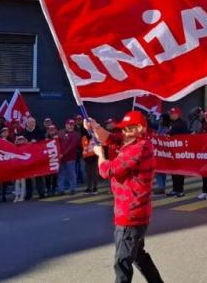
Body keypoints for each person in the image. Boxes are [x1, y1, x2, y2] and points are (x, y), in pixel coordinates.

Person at [86, 112, 164, 283]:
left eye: (130, 128)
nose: (126, 132)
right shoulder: (131, 142)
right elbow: (110, 138)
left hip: (131, 213)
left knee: (122, 262)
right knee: (138, 256)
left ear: (141, 129)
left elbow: (109, 170)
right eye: (125, 128)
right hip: (133, 211)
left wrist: (100, 155)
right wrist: (95, 126)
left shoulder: (139, 147)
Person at [165, 107, 189, 197]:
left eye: (172, 113)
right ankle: (175, 189)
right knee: (173, 170)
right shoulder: (172, 123)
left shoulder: (182, 123)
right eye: (170, 113)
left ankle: (180, 190)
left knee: (179, 171)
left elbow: (184, 136)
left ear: (176, 114)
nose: (170, 115)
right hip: (173, 151)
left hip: (179, 151)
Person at [22, 117, 47, 200]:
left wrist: (36, 140)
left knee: (39, 176)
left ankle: (41, 193)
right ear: (26, 123)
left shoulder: (39, 131)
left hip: (37, 157)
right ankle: (29, 194)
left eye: (33, 122)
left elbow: (44, 141)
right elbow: (19, 142)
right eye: (30, 122)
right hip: (27, 157)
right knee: (27, 177)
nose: (32, 124)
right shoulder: (23, 132)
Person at [57, 122, 81, 195]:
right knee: (61, 174)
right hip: (61, 157)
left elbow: (72, 146)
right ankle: (61, 189)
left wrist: (62, 154)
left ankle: (72, 189)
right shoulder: (60, 132)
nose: (70, 126)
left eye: (72, 125)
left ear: (74, 126)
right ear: (65, 125)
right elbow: (57, 143)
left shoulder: (76, 135)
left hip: (70, 157)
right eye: (69, 125)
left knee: (71, 173)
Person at [0, 127, 13, 203]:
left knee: (5, 181)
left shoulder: (10, 140)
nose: (5, 133)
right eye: (4, 132)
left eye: (6, 132)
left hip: (6, 163)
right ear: (1, 133)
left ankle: (3, 196)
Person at [82, 127, 99, 195]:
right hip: (87, 158)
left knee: (94, 173)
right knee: (88, 174)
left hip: (94, 157)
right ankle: (89, 188)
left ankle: (95, 188)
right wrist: (84, 157)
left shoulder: (95, 137)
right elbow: (83, 148)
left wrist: (96, 155)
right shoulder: (84, 137)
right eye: (87, 130)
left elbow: (98, 146)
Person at [45, 124, 60, 195]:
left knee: (55, 176)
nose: (52, 132)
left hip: (55, 159)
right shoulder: (45, 138)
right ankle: (48, 189)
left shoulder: (58, 138)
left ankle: (54, 188)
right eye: (50, 130)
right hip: (47, 160)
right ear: (48, 131)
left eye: (53, 130)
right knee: (47, 176)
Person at [13, 132, 28, 202]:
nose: (20, 141)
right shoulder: (15, 147)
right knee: (17, 181)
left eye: (21, 139)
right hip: (17, 166)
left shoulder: (27, 146)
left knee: (23, 181)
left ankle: (22, 196)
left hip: (24, 166)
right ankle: (16, 196)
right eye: (19, 139)